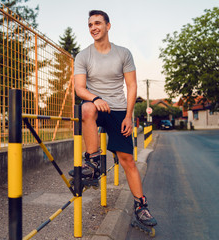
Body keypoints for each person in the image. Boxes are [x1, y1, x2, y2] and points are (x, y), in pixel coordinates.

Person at [73, 10, 157, 227]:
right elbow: (79, 88)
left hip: (119, 111)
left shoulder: (123, 53)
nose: (94, 28)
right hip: (96, 105)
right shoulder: (83, 56)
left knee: (128, 160)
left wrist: (129, 116)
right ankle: (92, 163)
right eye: (90, 25)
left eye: (98, 23)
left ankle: (141, 206)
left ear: (108, 26)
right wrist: (96, 98)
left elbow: (131, 86)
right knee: (86, 109)